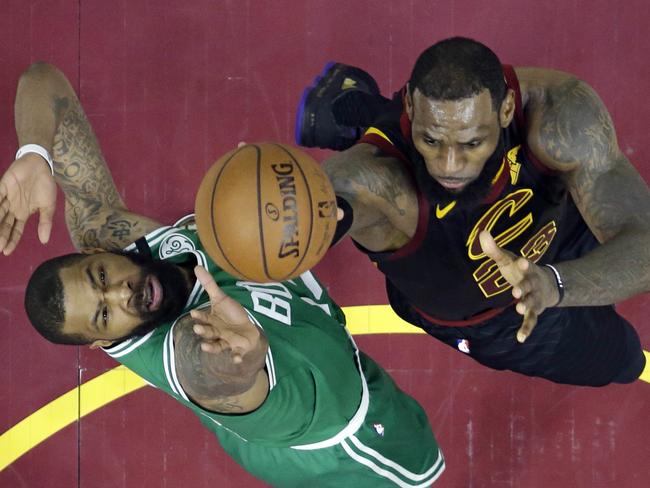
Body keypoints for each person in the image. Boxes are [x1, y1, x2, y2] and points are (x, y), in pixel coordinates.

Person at [0, 62, 445, 487]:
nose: (121, 294)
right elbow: (208, 375)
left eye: (100, 276)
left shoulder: (108, 230)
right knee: (422, 467)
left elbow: (42, 79)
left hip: (305, 326)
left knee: (356, 188)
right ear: (104, 341)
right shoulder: (182, 352)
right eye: (103, 316)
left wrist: (34, 154)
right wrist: (241, 361)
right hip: (343, 431)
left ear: (98, 251)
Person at [295, 37, 649, 387]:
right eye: (430, 141)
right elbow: (319, 206)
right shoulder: (376, 183)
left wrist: (553, 283)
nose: (449, 165)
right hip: (491, 316)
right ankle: (372, 129)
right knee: (625, 359)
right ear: (411, 106)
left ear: (507, 110)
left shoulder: (560, 113)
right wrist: (278, 210)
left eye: (471, 143)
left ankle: (366, 117)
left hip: (559, 222)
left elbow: (644, 243)